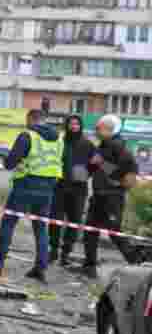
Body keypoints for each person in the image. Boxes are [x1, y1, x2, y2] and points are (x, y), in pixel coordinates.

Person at [0, 109, 63, 284]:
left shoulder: (27, 136)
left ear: (31, 119)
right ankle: (40, 268)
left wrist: (6, 158)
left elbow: (10, 163)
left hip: (25, 185)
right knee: (41, 228)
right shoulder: (58, 139)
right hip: (48, 188)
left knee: (9, 223)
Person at [81, 114, 141, 279]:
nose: (96, 130)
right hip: (99, 195)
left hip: (113, 198)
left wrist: (101, 164)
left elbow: (127, 178)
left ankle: (138, 263)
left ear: (110, 129)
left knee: (114, 232)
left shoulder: (122, 150)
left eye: (99, 128)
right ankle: (89, 266)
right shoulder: (102, 147)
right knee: (90, 231)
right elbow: (91, 169)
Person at [49, 114, 95, 266]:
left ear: (81, 126)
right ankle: (53, 249)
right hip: (60, 187)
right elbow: (52, 159)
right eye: (71, 124)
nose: (74, 126)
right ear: (67, 126)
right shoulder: (60, 142)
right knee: (55, 219)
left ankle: (66, 253)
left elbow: (96, 162)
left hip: (78, 188)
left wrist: (85, 174)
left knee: (74, 221)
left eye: (77, 124)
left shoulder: (87, 144)